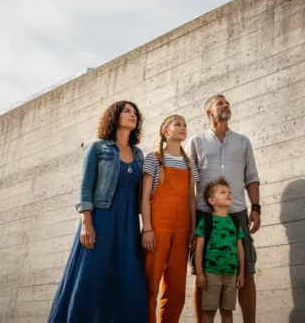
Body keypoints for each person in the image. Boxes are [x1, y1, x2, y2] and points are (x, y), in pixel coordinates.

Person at [48, 101, 149, 322]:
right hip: (101, 220)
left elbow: (144, 194)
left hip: (128, 224)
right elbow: (85, 187)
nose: (133, 115)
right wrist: (86, 223)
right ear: (115, 117)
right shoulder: (97, 148)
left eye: (135, 113)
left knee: (127, 278)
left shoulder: (139, 154)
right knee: (90, 276)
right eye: (127, 111)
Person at [188, 94, 260, 323]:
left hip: (237, 214)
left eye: (228, 102)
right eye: (220, 103)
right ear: (208, 111)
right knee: (201, 276)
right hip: (205, 216)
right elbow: (189, 184)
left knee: (246, 271)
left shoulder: (243, 142)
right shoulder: (196, 142)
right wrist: (191, 223)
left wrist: (255, 208)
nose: (226, 105)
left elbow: (251, 177)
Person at [141, 114, 199, 323]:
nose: (183, 127)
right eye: (177, 124)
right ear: (166, 132)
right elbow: (146, 195)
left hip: (182, 229)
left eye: (185, 124)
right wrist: (147, 229)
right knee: (150, 284)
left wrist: (193, 229)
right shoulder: (153, 158)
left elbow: (192, 198)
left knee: (176, 288)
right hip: (157, 226)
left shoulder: (190, 163)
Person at [194, 177, 245, 323]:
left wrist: (241, 273)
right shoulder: (206, 222)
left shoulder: (235, 222)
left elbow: (239, 248)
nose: (228, 194)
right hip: (211, 274)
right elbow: (199, 248)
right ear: (212, 200)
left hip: (231, 275)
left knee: (227, 313)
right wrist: (199, 273)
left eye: (229, 192)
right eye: (222, 192)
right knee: (209, 313)